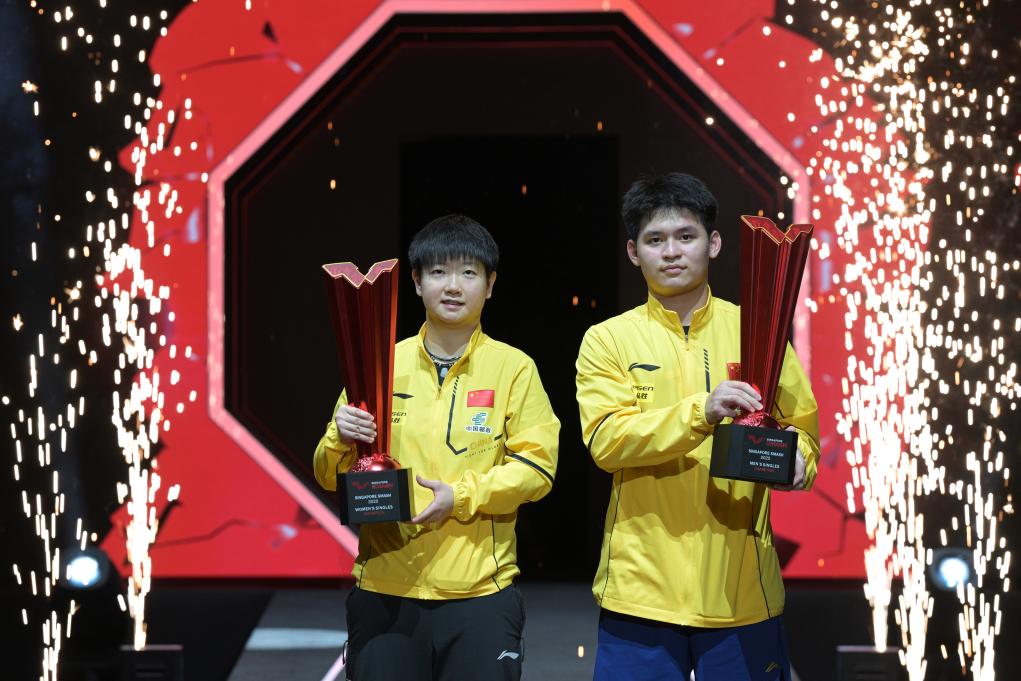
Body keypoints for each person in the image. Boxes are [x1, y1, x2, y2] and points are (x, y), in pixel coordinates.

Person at [575, 173, 819, 680]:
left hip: (742, 594)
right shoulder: (607, 340)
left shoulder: (758, 330)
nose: (671, 252)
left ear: (714, 243)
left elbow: (802, 431)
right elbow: (607, 441)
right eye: (654, 240)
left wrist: (799, 462)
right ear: (633, 252)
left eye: (686, 236)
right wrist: (700, 412)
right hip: (640, 594)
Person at [314, 214, 560, 681]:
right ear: (416, 282)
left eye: (468, 273)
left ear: (490, 285)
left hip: (480, 596)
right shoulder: (380, 364)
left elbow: (537, 470)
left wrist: (460, 496)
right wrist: (338, 438)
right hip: (385, 590)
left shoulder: (514, 368)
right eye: (438, 272)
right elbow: (329, 476)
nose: (453, 286)